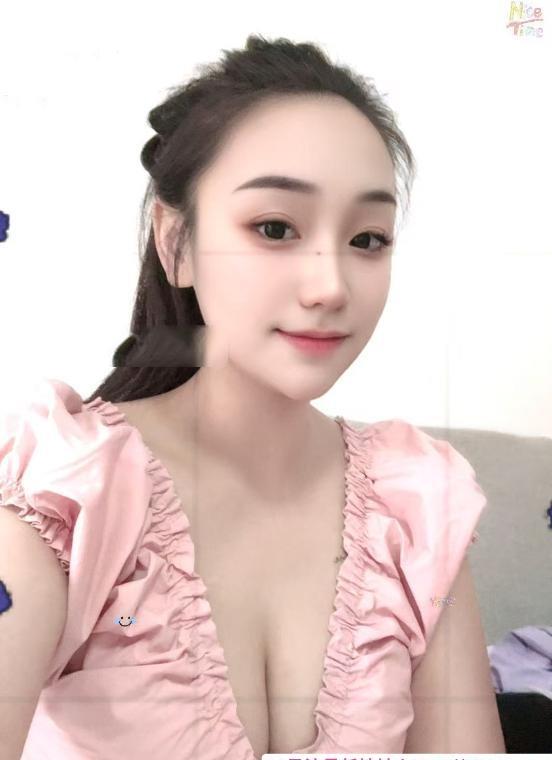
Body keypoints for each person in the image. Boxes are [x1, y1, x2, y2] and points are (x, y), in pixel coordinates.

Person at [0, 33, 505, 759]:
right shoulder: (68, 494)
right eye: (275, 227)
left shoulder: (416, 506)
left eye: (368, 239)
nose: (330, 285)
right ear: (175, 242)